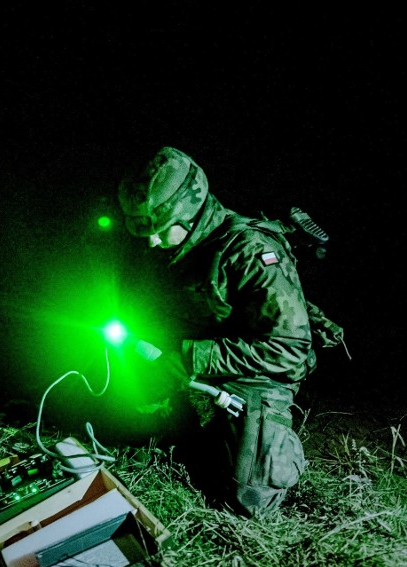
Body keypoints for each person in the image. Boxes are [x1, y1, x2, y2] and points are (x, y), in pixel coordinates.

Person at [116, 146, 344, 517]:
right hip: (189, 350)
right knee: (115, 419)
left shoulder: (250, 252)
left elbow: (289, 352)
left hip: (257, 367)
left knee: (248, 497)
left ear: (188, 215)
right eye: (144, 230)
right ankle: (180, 421)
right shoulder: (169, 247)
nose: (151, 242)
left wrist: (192, 356)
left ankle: (266, 440)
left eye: (159, 229)